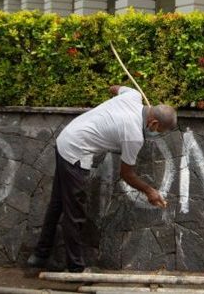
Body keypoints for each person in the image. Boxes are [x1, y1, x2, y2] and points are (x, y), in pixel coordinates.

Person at [27, 85, 177, 272]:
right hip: (75, 152)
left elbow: (114, 89)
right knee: (75, 214)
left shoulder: (133, 95)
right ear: (153, 123)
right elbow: (126, 174)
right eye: (160, 131)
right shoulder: (133, 136)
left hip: (66, 138)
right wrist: (149, 191)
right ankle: (75, 269)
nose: (158, 134)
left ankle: (40, 255)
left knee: (58, 203)